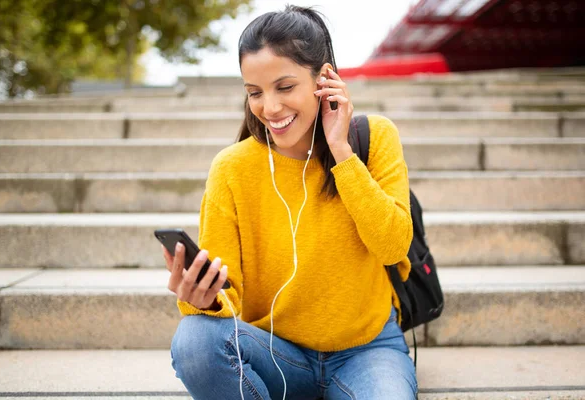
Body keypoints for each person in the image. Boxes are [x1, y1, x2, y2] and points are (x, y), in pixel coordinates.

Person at [163, 5, 417, 399]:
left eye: (284, 87)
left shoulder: (375, 137)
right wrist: (205, 300)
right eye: (255, 93)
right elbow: (227, 295)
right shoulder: (232, 168)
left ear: (325, 78)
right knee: (194, 341)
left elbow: (392, 246)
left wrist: (341, 151)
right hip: (275, 354)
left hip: (366, 350)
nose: (269, 107)